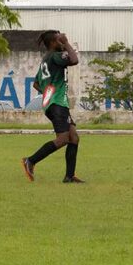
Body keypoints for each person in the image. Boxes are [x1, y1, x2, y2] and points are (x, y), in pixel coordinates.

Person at [21, 30, 84, 183]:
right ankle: (31, 160)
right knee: (63, 139)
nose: (61, 42)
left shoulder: (45, 60)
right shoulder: (55, 56)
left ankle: (69, 176)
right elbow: (74, 60)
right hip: (56, 104)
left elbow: (36, 83)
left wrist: (48, 92)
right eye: (59, 40)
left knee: (73, 137)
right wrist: (67, 42)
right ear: (52, 43)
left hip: (54, 103)